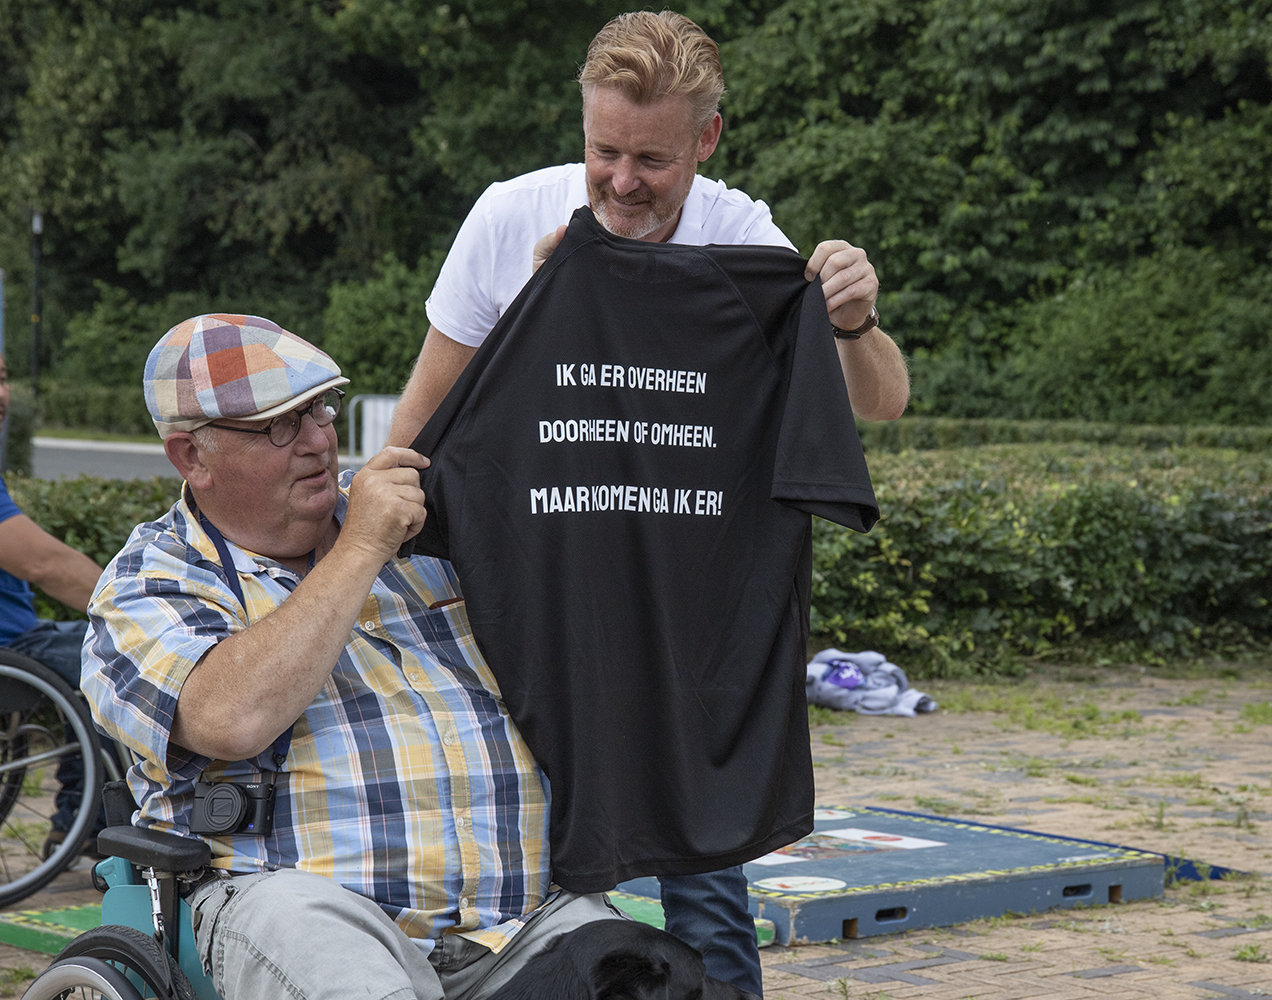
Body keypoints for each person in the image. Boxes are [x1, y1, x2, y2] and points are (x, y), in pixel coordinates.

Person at [384, 12, 907, 996]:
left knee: (701, 870)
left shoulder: (744, 239)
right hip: (532, 607)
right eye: (603, 151)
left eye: (653, 159)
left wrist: (852, 318)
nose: (622, 181)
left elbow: (878, 403)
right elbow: (423, 430)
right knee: (524, 868)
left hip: (685, 624)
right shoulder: (509, 221)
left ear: (707, 140)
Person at [81, 315, 634, 1000]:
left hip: (519, 921)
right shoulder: (150, 579)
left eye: (321, 407)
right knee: (339, 960)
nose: (319, 439)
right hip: (301, 906)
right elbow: (228, 718)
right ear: (192, 456)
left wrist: (572, 317)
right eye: (279, 424)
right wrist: (361, 549)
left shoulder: (426, 535)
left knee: (651, 970)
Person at [0, 357, 109, 850]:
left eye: (2, 377)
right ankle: (81, 824)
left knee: (92, 643)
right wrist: (134, 610)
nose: (1, 393)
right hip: (12, 646)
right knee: (118, 664)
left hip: (21, 634)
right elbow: (47, 565)